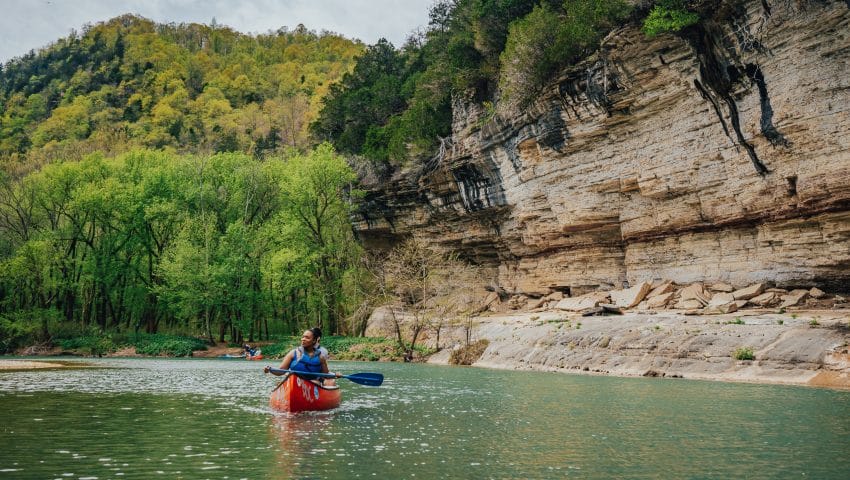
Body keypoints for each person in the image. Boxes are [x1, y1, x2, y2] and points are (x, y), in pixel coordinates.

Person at [265, 327, 339, 385]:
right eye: (303, 337)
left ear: (314, 341)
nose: (303, 339)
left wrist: (335, 375)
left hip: (312, 382)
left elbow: (325, 375)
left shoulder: (320, 357)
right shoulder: (292, 353)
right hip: (294, 381)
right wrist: (270, 370)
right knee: (290, 380)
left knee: (316, 382)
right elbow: (281, 371)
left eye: (307, 338)